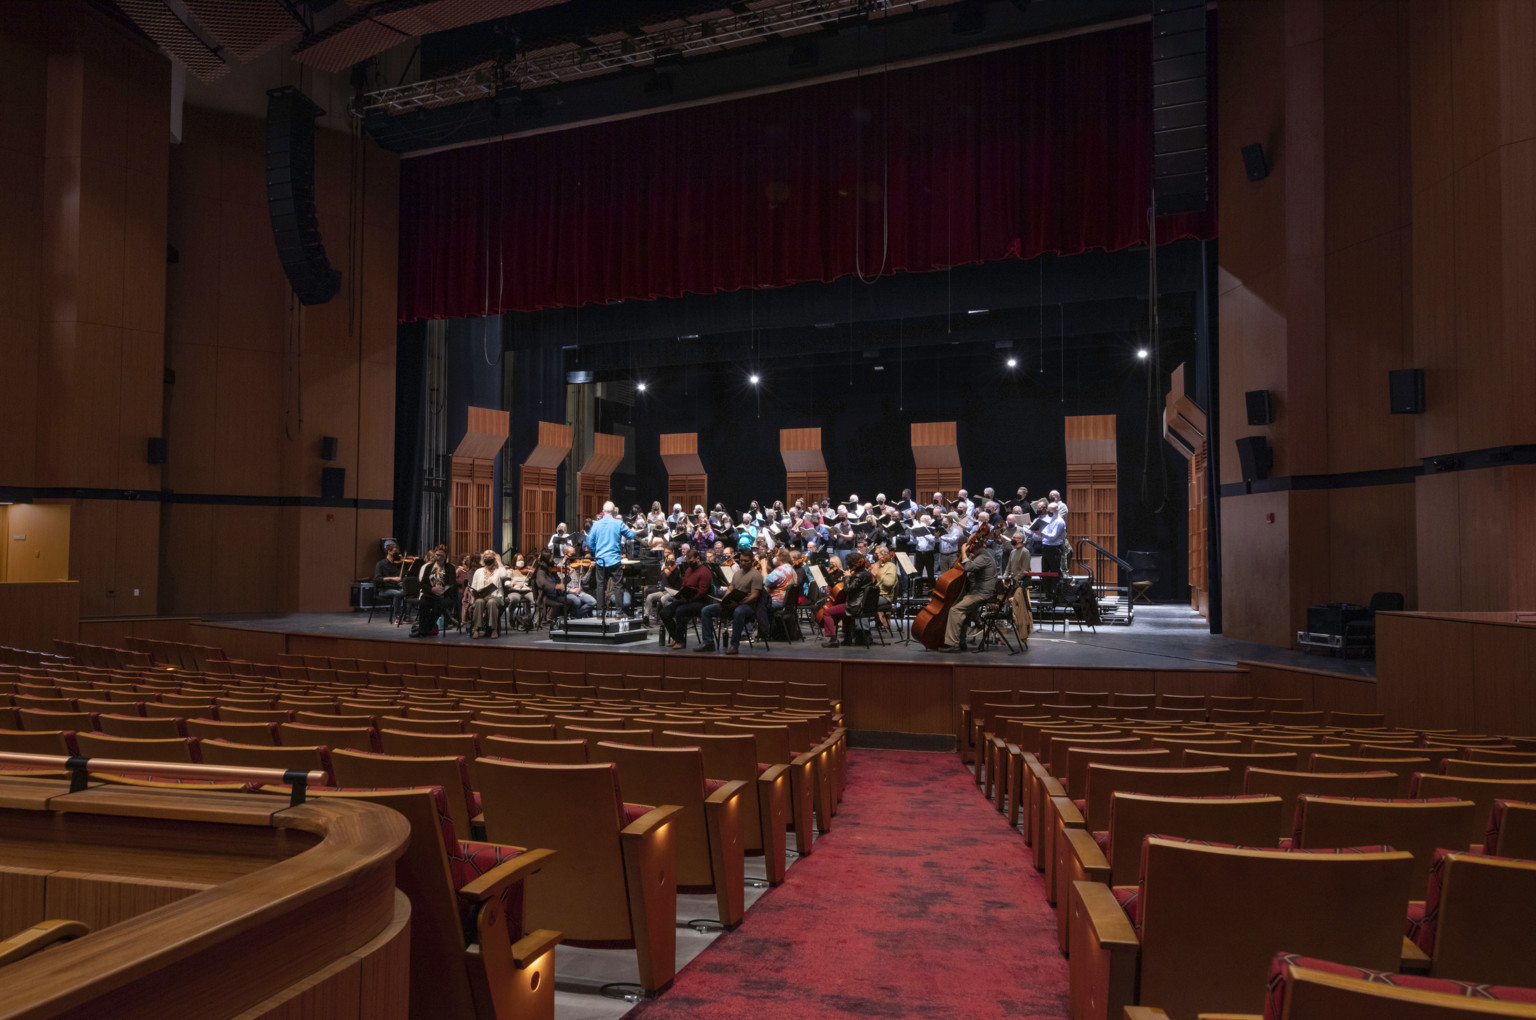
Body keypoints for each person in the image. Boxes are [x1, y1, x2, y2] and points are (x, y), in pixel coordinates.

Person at [697, 550, 763, 655]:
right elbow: (730, 589)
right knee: (706, 610)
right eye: (741, 561)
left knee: (738, 611)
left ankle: (734, 645)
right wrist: (724, 601)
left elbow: (755, 595)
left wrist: (740, 603)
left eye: (746, 561)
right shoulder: (737, 573)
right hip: (733, 603)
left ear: (752, 561)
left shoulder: (756, 575)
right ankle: (708, 642)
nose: (743, 563)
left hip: (747, 606)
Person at [940, 540, 998, 652]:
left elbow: (967, 568)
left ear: (973, 547)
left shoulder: (983, 557)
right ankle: (961, 641)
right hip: (978, 592)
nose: (966, 546)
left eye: (968, 545)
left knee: (955, 610)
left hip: (982, 594)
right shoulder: (982, 555)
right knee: (963, 610)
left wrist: (963, 552)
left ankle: (953, 644)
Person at [662, 545, 715, 649]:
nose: (689, 563)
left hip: (700, 601)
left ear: (697, 558)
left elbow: (702, 592)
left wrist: (689, 599)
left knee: (680, 611)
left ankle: (680, 641)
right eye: (687, 560)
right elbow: (683, 585)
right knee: (664, 612)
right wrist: (680, 595)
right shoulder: (689, 570)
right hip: (687, 598)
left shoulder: (705, 571)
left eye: (691, 560)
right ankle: (676, 637)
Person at [821, 552, 872, 647]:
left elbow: (848, 589)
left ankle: (832, 640)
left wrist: (847, 577)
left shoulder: (858, 575)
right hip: (862, 604)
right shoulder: (867, 574)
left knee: (827, 612)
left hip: (854, 606)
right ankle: (847, 638)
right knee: (842, 612)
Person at [466, 550, 511, 637]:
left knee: (492, 602)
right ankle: (476, 629)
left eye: (490, 557)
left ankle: (493, 629)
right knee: (479, 602)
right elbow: (474, 586)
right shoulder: (479, 571)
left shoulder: (498, 571)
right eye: (485, 557)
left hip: (495, 596)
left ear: (493, 559)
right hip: (481, 596)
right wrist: (475, 592)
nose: (487, 559)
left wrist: (499, 561)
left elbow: (504, 574)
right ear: (483, 559)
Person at [411, 545, 452, 637]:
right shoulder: (428, 567)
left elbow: (452, 584)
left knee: (439, 605)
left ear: (446, 556)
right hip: (429, 593)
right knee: (423, 603)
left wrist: (443, 592)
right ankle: (424, 629)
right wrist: (431, 589)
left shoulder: (450, 567)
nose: (439, 557)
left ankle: (424, 630)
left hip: (444, 595)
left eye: (442, 555)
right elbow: (422, 583)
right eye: (437, 555)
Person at [370, 542, 404, 620]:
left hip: (396, 587)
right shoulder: (381, 564)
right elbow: (377, 578)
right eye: (395, 552)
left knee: (408, 592)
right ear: (389, 551)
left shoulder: (397, 564)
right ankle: (397, 616)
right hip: (384, 589)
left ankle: (406, 615)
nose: (397, 554)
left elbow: (401, 577)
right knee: (398, 594)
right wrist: (392, 578)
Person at [1039, 502, 1068, 577]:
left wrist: (1041, 534)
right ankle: (1046, 588)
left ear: (1056, 510)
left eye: (1050, 510)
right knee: (1045, 571)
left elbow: (1053, 536)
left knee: (1055, 571)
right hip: (1046, 546)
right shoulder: (1049, 519)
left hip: (1054, 548)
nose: (1048, 512)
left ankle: (1056, 588)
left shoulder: (1059, 521)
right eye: (1048, 510)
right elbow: (1045, 530)